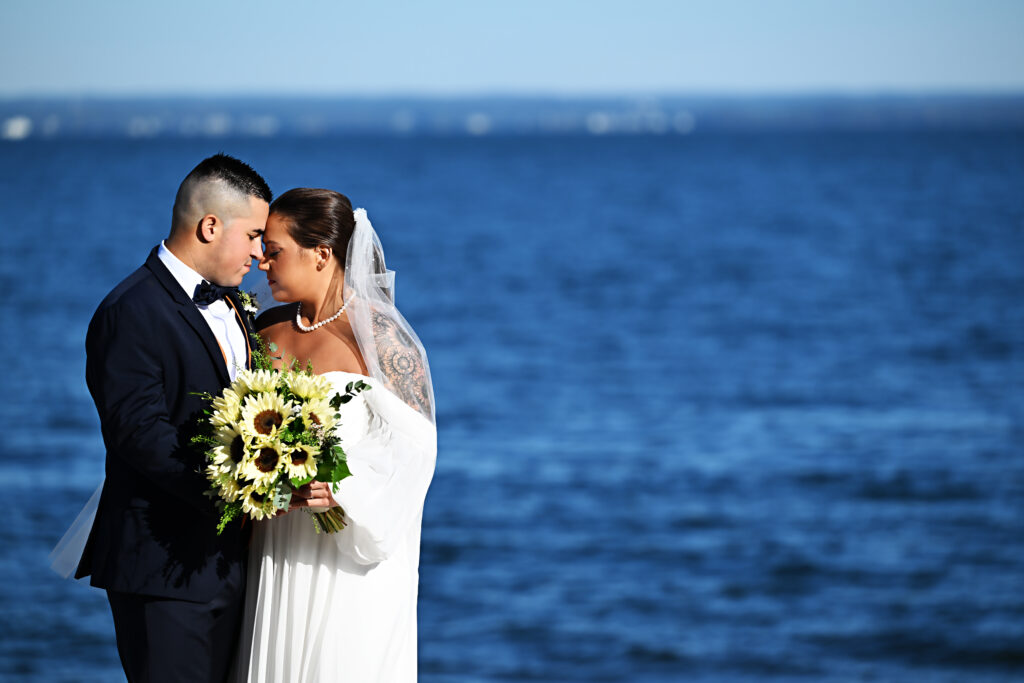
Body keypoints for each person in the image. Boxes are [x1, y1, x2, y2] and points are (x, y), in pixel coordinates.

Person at [74, 154, 271, 682]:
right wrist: (238, 488)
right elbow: (139, 434)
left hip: (231, 565)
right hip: (162, 570)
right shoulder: (130, 310)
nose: (261, 251)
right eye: (253, 234)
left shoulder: (235, 307)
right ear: (210, 226)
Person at [232, 188, 437, 682]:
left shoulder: (382, 339)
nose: (263, 262)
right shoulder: (265, 330)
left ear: (321, 254)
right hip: (278, 546)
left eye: (275, 251)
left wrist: (340, 491)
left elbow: (415, 457)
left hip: (349, 555)